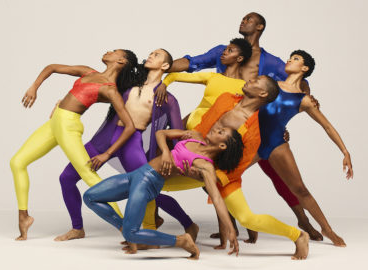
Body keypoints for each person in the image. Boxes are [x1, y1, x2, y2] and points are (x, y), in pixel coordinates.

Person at [154, 12, 321, 241]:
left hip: (249, 124)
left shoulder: (271, 61)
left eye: (249, 19)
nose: (243, 21)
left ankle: (302, 221)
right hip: (217, 118)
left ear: (260, 26)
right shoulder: (224, 51)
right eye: (243, 19)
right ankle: (226, 226)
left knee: (277, 177)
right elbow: (191, 62)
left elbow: (298, 83)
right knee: (194, 165)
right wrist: (162, 66)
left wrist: (290, 114)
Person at [150, 75, 310, 260]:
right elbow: (203, 128)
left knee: (247, 218)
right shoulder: (226, 97)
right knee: (152, 181)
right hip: (195, 160)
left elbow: (238, 167)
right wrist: (189, 151)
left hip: (221, 175)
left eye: (255, 81)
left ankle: (298, 236)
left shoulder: (253, 131)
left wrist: (206, 175)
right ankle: (151, 232)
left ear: (263, 93)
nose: (249, 80)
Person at [54, 49, 184, 241]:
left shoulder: (168, 98)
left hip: (131, 144)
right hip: (105, 137)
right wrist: (64, 102)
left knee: (149, 188)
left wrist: (165, 83)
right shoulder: (128, 83)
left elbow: (177, 133)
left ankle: (188, 224)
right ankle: (77, 228)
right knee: (66, 178)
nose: (150, 55)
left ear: (165, 66)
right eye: (151, 53)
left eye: (156, 55)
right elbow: (96, 87)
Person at [10, 49, 138, 240]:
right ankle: (24, 217)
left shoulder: (110, 89)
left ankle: (127, 229)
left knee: (89, 176)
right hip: (54, 124)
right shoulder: (88, 72)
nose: (108, 51)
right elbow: (52, 67)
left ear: (121, 60)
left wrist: (106, 154)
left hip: (68, 126)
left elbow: (130, 126)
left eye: (114, 51)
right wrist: (34, 87)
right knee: (17, 162)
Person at [83, 126, 244, 259]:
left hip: (148, 182)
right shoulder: (195, 136)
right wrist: (166, 151)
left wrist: (230, 229)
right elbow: (161, 133)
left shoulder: (206, 167)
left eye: (221, 132)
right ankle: (122, 228)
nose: (216, 128)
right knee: (90, 197)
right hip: (137, 174)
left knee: (131, 234)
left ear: (222, 146)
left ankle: (182, 241)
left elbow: (216, 197)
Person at [255, 50, 353, 246]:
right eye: (290, 57)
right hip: (252, 142)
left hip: (276, 145)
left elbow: (327, 126)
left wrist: (345, 151)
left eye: (296, 59)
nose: (289, 59)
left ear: (305, 68)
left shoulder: (305, 100)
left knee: (300, 189)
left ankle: (327, 229)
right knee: (223, 176)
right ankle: (232, 227)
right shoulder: (269, 83)